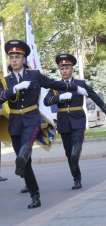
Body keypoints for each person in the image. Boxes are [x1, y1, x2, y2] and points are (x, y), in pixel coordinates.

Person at [0, 40, 88, 209]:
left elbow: (54, 83)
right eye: (11, 57)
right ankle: (34, 194)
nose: (14, 60)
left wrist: (73, 87)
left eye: (17, 56)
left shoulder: (35, 75)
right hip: (15, 122)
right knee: (25, 162)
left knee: (25, 150)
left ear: (23, 58)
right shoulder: (6, 80)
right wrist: (14, 89)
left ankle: (24, 162)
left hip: (31, 119)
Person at [44, 53, 106, 189]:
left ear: (72, 69)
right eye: (62, 68)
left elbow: (95, 96)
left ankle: (75, 159)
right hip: (63, 122)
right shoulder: (56, 86)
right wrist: (58, 98)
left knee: (75, 149)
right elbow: (46, 101)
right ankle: (76, 178)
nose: (64, 70)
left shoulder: (80, 84)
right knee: (68, 154)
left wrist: (104, 108)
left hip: (78, 120)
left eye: (67, 67)